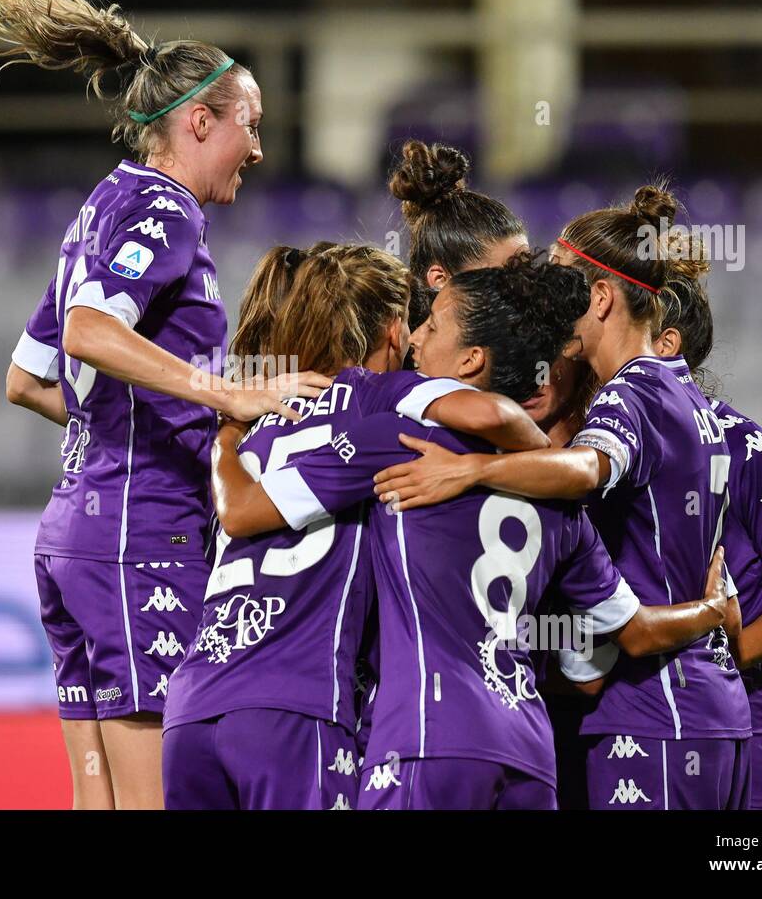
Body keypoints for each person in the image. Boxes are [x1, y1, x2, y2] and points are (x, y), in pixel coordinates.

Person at [0, 0, 329, 809]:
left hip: (74, 537)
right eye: (250, 125)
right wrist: (228, 399)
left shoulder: (97, 210)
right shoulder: (165, 212)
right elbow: (87, 336)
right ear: (198, 121)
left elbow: (25, 380)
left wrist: (142, 419)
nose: (258, 148)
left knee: (94, 801)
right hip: (142, 542)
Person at [209, 257, 733, 809]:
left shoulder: (401, 449)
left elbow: (245, 512)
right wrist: (714, 609)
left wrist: (228, 431)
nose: (413, 337)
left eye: (431, 325)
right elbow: (609, 656)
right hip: (529, 754)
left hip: (425, 740)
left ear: (470, 359)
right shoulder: (561, 501)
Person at [372, 185, 752, 809]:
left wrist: (470, 474)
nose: (550, 312)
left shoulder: (631, 397)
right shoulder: (694, 406)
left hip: (644, 717)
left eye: (563, 291)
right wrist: (712, 610)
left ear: (601, 296)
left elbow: (585, 469)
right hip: (688, 711)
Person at [162, 243, 549, 809]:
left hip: (192, 708)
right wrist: (527, 465)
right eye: (415, 327)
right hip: (296, 707)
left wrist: (225, 430)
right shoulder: (377, 400)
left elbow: (217, 518)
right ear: (394, 330)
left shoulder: (259, 419)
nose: (418, 342)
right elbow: (493, 413)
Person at [653, 273, 762, 809]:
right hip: (644, 728)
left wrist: (721, 658)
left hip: (744, 742)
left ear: (665, 344)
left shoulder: (744, 445)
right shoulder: (606, 447)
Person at [389, 140, 529, 331]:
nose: (527, 290)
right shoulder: (399, 357)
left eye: (527, 270)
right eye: (505, 279)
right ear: (441, 280)